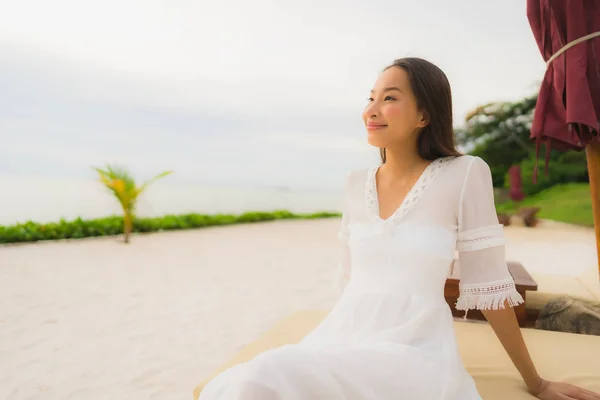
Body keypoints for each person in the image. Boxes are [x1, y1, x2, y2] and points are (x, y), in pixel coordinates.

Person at [199, 58, 600, 400]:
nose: (372, 109)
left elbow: (491, 289)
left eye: (389, 98)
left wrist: (536, 381)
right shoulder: (355, 184)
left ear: (424, 115)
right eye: (370, 97)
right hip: (342, 337)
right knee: (256, 376)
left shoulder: (464, 174)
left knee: (262, 376)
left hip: (412, 350)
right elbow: (350, 286)